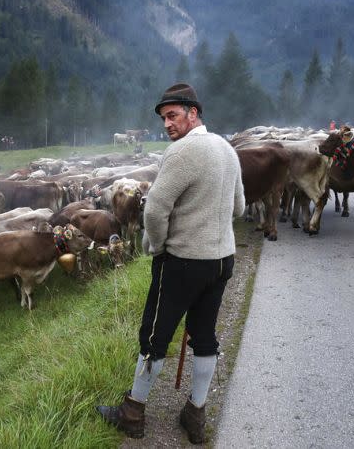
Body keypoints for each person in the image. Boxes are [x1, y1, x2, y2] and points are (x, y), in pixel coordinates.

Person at [96, 83, 245, 443]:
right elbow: (239, 208)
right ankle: (195, 414)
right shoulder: (227, 149)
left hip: (182, 263)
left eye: (173, 115)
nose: (167, 124)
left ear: (194, 113)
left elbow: (156, 210)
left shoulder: (180, 153)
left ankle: (132, 413)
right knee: (206, 336)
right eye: (164, 117)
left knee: (154, 336)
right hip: (222, 260)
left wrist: (159, 248)